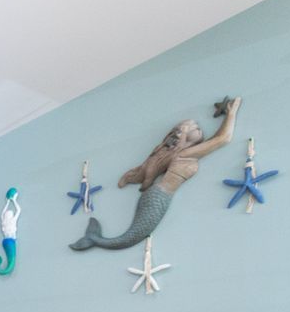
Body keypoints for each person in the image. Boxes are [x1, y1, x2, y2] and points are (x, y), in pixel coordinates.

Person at [73, 96, 240, 250]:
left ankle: (94, 239)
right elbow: (223, 139)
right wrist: (231, 114)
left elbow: (216, 138)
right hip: (158, 197)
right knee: (133, 236)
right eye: (195, 127)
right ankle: (95, 239)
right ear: (186, 136)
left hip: (158, 196)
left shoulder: (182, 153)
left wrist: (227, 116)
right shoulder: (184, 154)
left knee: (133, 235)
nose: (199, 128)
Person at [0, 187, 20, 274]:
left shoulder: (4, 221)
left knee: (11, 260)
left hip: (6, 241)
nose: (9, 214)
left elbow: (2, 213)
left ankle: (0, 267)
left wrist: (8, 202)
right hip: (10, 242)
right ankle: (1, 267)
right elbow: (18, 210)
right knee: (11, 260)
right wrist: (13, 201)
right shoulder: (11, 221)